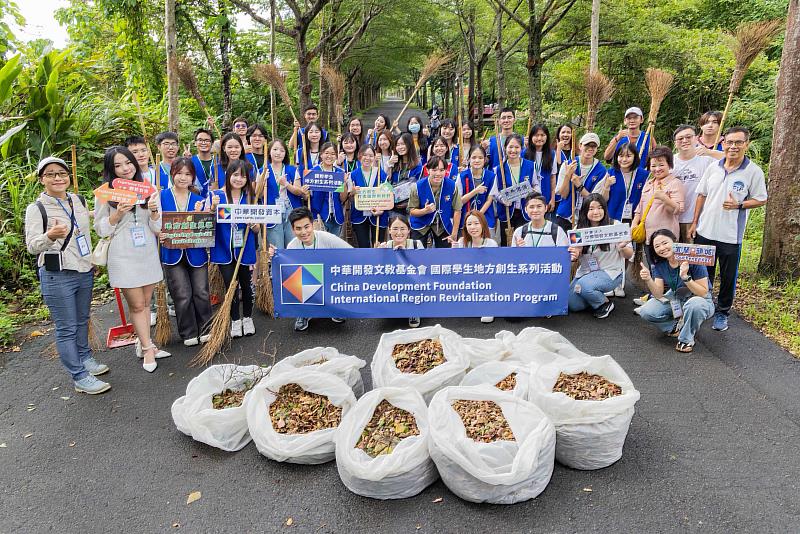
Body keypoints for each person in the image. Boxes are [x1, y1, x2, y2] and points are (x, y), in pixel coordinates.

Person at [26, 156, 110, 393]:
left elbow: (89, 224)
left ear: (68, 177)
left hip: (84, 270)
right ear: (42, 179)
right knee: (66, 328)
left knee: (83, 320)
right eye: (51, 174)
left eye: (61, 173)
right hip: (57, 274)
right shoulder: (37, 209)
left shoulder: (77, 200)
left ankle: (85, 358)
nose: (57, 178)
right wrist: (50, 236)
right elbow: (32, 246)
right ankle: (79, 376)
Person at [94, 146, 169, 372]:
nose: (125, 169)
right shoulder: (106, 193)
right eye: (117, 165)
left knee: (146, 303)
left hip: (146, 251)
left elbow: (157, 227)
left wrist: (154, 212)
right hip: (122, 253)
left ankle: (144, 342)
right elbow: (101, 230)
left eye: (128, 163)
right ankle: (147, 349)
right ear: (110, 169)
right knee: (136, 305)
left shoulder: (149, 189)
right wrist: (117, 214)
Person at [689, 126, 768, 332]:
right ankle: (703, 307)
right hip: (705, 231)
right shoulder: (714, 167)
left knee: (727, 277)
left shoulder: (753, 171)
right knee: (702, 272)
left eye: (738, 142)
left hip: (730, 236)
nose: (733, 146)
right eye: (730, 142)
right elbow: (701, 195)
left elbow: (761, 199)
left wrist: (739, 205)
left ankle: (722, 313)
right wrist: (694, 222)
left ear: (746, 144)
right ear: (723, 143)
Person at [269, 207, 351, 331]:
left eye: (306, 227)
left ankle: (335, 307)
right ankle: (303, 312)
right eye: (298, 228)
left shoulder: (326, 238)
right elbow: (287, 270)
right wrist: (276, 257)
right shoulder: (292, 246)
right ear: (292, 229)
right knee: (292, 279)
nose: (303, 232)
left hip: (328, 277)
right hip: (307, 282)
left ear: (312, 225)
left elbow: (351, 253)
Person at [159, 158, 212, 347]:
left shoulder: (199, 200)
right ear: (172, 174)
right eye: (179, 173)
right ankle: (188, 331)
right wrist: (159, 231)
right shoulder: (161, 197)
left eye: (188, 174)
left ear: (193, 177)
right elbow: (154, 223)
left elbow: (206, 228)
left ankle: (206, 328)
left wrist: (204, 212)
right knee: (181, 294)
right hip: (172, 253)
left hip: (196, 253)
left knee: (202, 292)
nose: (183, 177)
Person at [638, 229, 715, 353]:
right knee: (646, 311)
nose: (662, 248)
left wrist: (686, 278)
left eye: (665, 243)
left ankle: (685, 339)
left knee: (694, 305)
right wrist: (648, 279)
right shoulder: (660, 264)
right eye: (657, 246)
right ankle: (673, 327)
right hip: (677, 296)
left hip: (699, 299)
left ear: (675, 241)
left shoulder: (693, 259)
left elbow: (703, 292)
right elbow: (658, 294)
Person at [208, 160, 259, 338]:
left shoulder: (251, 198)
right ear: (228, 175)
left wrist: (254, 225)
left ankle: (247, 318)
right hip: (224, 249)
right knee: (230, 286)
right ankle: (235, 320)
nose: (239, 179)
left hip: (245, 249)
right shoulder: (215, 196)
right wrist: (212, 208)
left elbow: (257, 229)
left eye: (243, 176)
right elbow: (207, 224)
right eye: (235, 175)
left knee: (246, 284)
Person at [568, 194, 633, 319]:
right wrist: (575, 254)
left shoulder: (615, 226)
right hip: (586, 272)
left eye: (599, 207)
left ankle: (604, 303)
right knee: (573, 304)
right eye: (591, 209)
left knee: (583, 286)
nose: (596, 212)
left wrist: (622, 247)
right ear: (585, 211)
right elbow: (574, 255)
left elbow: (629, 254)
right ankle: (592, 294)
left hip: (610, 272)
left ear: (605, 209)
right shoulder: (579, 229)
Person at [600, 143, 649, 298]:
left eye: (628, 155)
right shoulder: (610, 172)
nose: (624, 159)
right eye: (621, 155)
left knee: (626, 250)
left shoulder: (643, 174)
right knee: (612, 251)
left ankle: (620, 283)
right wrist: (606, 186)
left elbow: (645, 198)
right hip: (614, 217)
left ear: (635, 157)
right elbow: (603, 199)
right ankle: (610, 282)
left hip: (633, 218)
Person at [631, 146, 685, 245]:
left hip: (666, 239)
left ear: (669, 165)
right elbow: (640, 208)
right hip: (648, 237)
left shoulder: (675, 183)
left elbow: (678, 210)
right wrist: (634, 224)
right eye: (653, 166)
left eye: (661, 165)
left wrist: (664, 198)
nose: (657, 169)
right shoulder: (649, 183)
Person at [379, 214, 425, 328]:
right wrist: (379, 253)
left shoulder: (416, 244)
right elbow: (377, 270)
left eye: (402, 229)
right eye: (395, 229)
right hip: (393, 283)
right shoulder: (386, 246)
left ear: (408, 230)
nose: (399, 232)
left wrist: (406, 255)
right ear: (389, 231)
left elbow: (423, 268)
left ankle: (414, 312)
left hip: (412, 282)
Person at [556, 132, 607, 232]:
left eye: (593, 146)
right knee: (563, 246)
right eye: (587, 145)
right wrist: (568, 176)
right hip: (565, 216)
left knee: (579, 247)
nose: (590, 148)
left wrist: (578, 185)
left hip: (587, 219)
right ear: (580, 146)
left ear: (597, 149)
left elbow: (595, 200)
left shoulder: (601, 170)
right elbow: (563, 194)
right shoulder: (568, 164)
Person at [672, 124, 715, 243]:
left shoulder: (707, 160)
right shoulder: (670, 161)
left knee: (692, 255)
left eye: (688, 137)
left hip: (697, 218)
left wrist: (710, 152)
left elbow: (730, 160)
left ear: (696, 139)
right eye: (680, 139)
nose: (684, 141)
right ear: (675, 143)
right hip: (672, 218)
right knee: (671, 255)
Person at [408, 155, 462, 248]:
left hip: (442, 223)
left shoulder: (452, 186)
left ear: (446, 171)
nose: (438, 173)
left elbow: (457, 210)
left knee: (445, 253)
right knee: (416, 252)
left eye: (441, 170)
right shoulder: (417, 186)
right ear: (427, 170)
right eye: (434, 170)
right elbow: (412, 211)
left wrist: (454, 233)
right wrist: (424, 211)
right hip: (420, 224)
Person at [455, 209, 497, 325]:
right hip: (467, 281)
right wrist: (454, 252)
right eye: (469, 224)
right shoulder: (461, 242)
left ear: (483, 225)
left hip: (486, 282)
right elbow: (456, 266)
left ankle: (488, 307)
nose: (473, 227)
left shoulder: (491, 243)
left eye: (476, 223)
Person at [495, 134, 539, 245]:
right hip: (507, 212)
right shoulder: (499, 168)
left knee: (524, 242)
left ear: (521, 148)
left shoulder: (530, 166)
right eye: (510, 147)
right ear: (505, 148)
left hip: (525, 210)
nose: (513, 150)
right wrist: (503, 199)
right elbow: (495, 191)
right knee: (507, 243)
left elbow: (536, 185)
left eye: (517, 147)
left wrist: (533, 193)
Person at [305, 141, 348, 236]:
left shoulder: (340, 173)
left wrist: (344, 183)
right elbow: (306, 196)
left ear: (336, 156)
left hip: (336, 216)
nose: (329, 156)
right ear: (321, 154)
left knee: (334, 246)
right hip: (318, 216)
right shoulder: (313, 172)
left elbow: (343, 199)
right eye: (327, 153)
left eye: (333, 154)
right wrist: (305, 192)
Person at [348, 144, 385, 248]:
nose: (367, 158)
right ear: (359, 156)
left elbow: (388, 195)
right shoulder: (353, 174)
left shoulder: (381, 174)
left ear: (374, 157)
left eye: (370, 155)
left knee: (378, 245)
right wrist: (352, 192)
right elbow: (349, 197)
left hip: (378, 215)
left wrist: (381, 210)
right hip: (359, 215)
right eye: (365, 155)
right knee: (363, 245)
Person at [457, 145, 497, 233]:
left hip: (485, 215)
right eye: (474, 157)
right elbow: (459, 201)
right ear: (469, 159)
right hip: (465, 216)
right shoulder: (462, 176)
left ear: (485, 159)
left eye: (480, 158)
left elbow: (489, 200)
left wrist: (478, 216)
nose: (477, 160)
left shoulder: (491, 176)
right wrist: (475, 191)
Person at [265, 139, 297, 248]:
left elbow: (300, 192)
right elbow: (258, 195)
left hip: (290, 209)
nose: (278, 153)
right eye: (275, 149)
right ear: (269, 152)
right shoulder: (264, 170)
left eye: (282, 150)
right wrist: (261, 181)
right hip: (272, 210)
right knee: (276, 248)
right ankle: (276, 266)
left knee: (292, 246)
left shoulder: (292, 170)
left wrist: (286, 184)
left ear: (286, 153)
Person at [388, 133, 423, 219]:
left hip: (411, 207)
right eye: (397, 145)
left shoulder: (417, 166)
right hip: (394, 207)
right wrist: (390, 165)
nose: (400, 147)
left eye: (403, 144)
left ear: (409, 145)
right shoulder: (394, 164)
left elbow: (420, 187)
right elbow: (387, 183)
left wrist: (408, 203)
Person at [523, 124, 557, 213]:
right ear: (531, 137)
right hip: (528, 197)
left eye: (542, 135)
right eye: (536, 135)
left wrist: (553, 198)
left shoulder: (552, 154)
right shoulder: (524, 154)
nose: (539, 138)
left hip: (546, 195)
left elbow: (553, 177)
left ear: (547, 137)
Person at [189, 128, 217, 195]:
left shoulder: (219, 162)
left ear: (212, 143)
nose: (203, 143)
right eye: (200, 140)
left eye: (207, 140)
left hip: (217, 201)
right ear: (195, 143)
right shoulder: (189, 162)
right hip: (196, 202)